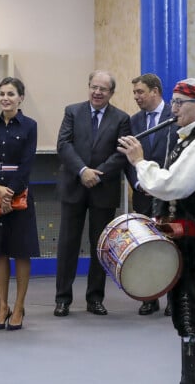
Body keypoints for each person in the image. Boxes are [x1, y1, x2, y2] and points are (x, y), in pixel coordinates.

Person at [118, 78, 195, 384]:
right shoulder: (185, 138)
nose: (174, 109)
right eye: (173, 102)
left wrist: (140, 162)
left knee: (188, 308)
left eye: (180, 103)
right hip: (180, 237)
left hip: (194, 238)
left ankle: (192, 379)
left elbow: (173, 185)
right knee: (183, 309)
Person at [54, 70, 130, 317]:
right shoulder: (72, 112)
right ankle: (62, 299)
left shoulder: (121, 118)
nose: (97, 92)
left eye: (103, 89)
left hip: (103, 190)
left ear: (111, 93)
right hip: (74, 187)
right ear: (88, 87)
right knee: (67, 245)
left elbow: (121, 153)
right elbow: (63, 145)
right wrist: (83, 171)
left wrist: (97, 174)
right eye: (94, 87)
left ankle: (95, 298)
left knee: (100, 246)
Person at [0, 77, 39, 331]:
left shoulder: (30, 126)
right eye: (2, 93)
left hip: (19, 197)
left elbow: (26, 164)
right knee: (0, 251)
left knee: (21, 251)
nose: (6, 98)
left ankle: (19, 306)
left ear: (20, 98)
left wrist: (9, 193)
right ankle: (2, 306)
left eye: (11, 94)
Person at [125, 73, 178, 316]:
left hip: (170, 196)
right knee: (146, 247)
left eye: (140, 92)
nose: (136, 97)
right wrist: (138, 182)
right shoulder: (133, 121)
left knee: (172, 246)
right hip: (143, 195)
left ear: (155, 91)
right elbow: (127, 157)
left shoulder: (175, 118)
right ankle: (150, 297)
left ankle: (174, 299)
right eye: (134, 92)